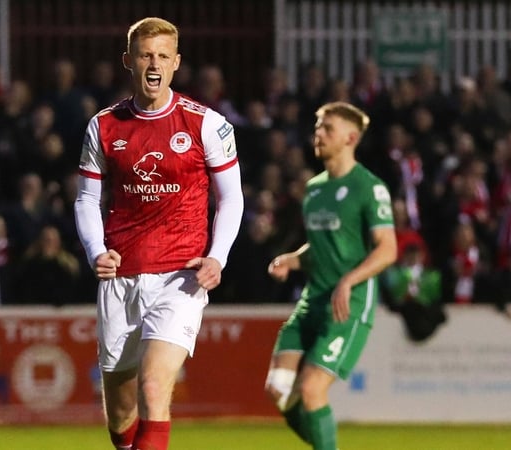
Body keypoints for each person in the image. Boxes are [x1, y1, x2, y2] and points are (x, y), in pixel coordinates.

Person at [74, 17, 244, 450]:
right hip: (121, 276)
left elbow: (231, 198)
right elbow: (86, 199)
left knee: (153, 386)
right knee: (120, 411)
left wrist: (218, 256)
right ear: (128, 61)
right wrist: (96, 250)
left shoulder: (206, 124)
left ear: (176, 63)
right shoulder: (104, 126)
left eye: (163, 56)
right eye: (146, 55)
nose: (154, 64)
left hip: (180, 277)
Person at [264, 101, 397, 450]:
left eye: (328, 129)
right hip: (312, 301)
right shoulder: (314, 188)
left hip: (347, 305)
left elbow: (387, 249)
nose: (318, 134)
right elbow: (323, 246)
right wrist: (292, 261)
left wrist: (349, 281)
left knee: (311, 388)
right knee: (278, 390)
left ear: (350, 138)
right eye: (317, 127)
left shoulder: (369, 187)